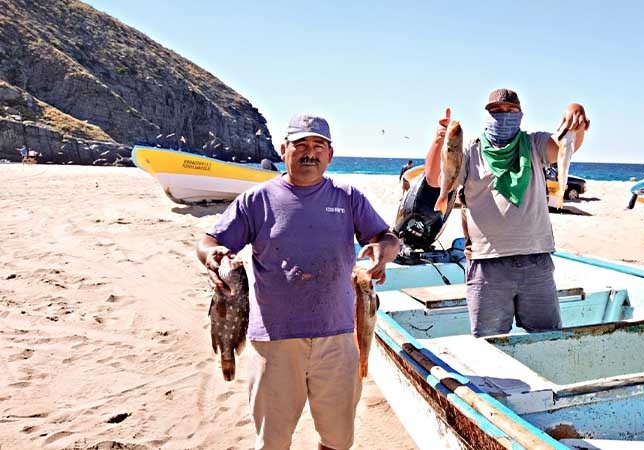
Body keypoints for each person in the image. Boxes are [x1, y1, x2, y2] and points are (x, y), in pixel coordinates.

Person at [196, 113, 399, 450]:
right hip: (274, 341)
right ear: (283, 149)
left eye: (318, 145)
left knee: (337, 440)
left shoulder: (348, 197)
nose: (309, 152)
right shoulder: (256, 200)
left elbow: (386, 237)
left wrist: (383, 252)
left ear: (330, 154)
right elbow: (208, 242)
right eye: (300, 144)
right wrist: (212, 256)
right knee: (273, 442)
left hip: (337, 338)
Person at [425, 88, 589, 337]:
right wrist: (439, 141)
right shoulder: (470, 150)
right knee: (489, 343)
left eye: (511, 110)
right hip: (486, 265)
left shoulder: (534, 144)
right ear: (487, 115)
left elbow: (567, 145)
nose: (504, 115)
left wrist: (576, 113)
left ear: (520, 114)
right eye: (497, 111)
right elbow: (435, 179)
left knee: (547, 339)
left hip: (536, 261)